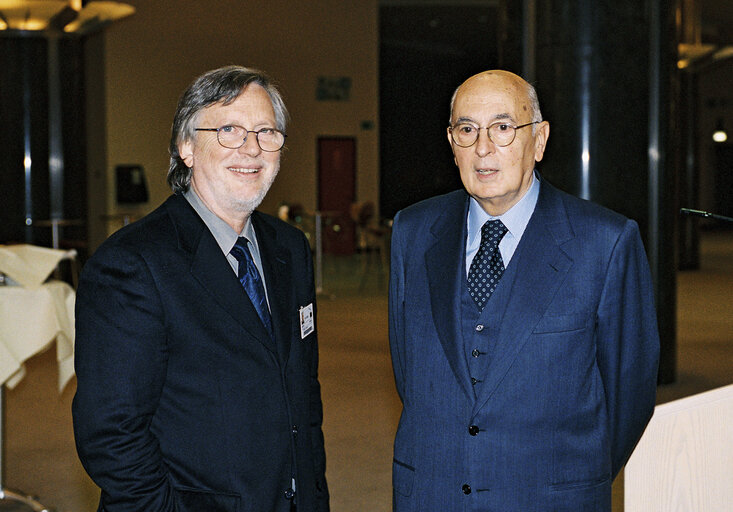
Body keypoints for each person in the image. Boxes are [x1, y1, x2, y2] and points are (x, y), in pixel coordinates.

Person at [388, 70, 659, 511]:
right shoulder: (413, 232)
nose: (483, 147)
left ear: (539, 139)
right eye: (467, 129)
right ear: (451, 142)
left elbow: (630, 394)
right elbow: (408, 372)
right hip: (432, 493)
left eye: (502, 127)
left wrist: (573, 480)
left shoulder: (605, 242)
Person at [73, 66, 329, 512]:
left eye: (266, 131)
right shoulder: (132, 264)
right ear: (186, 146)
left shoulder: (290, 248)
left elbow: (303, 397)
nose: (252, 148)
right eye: (229, 129)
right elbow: (111, 432)